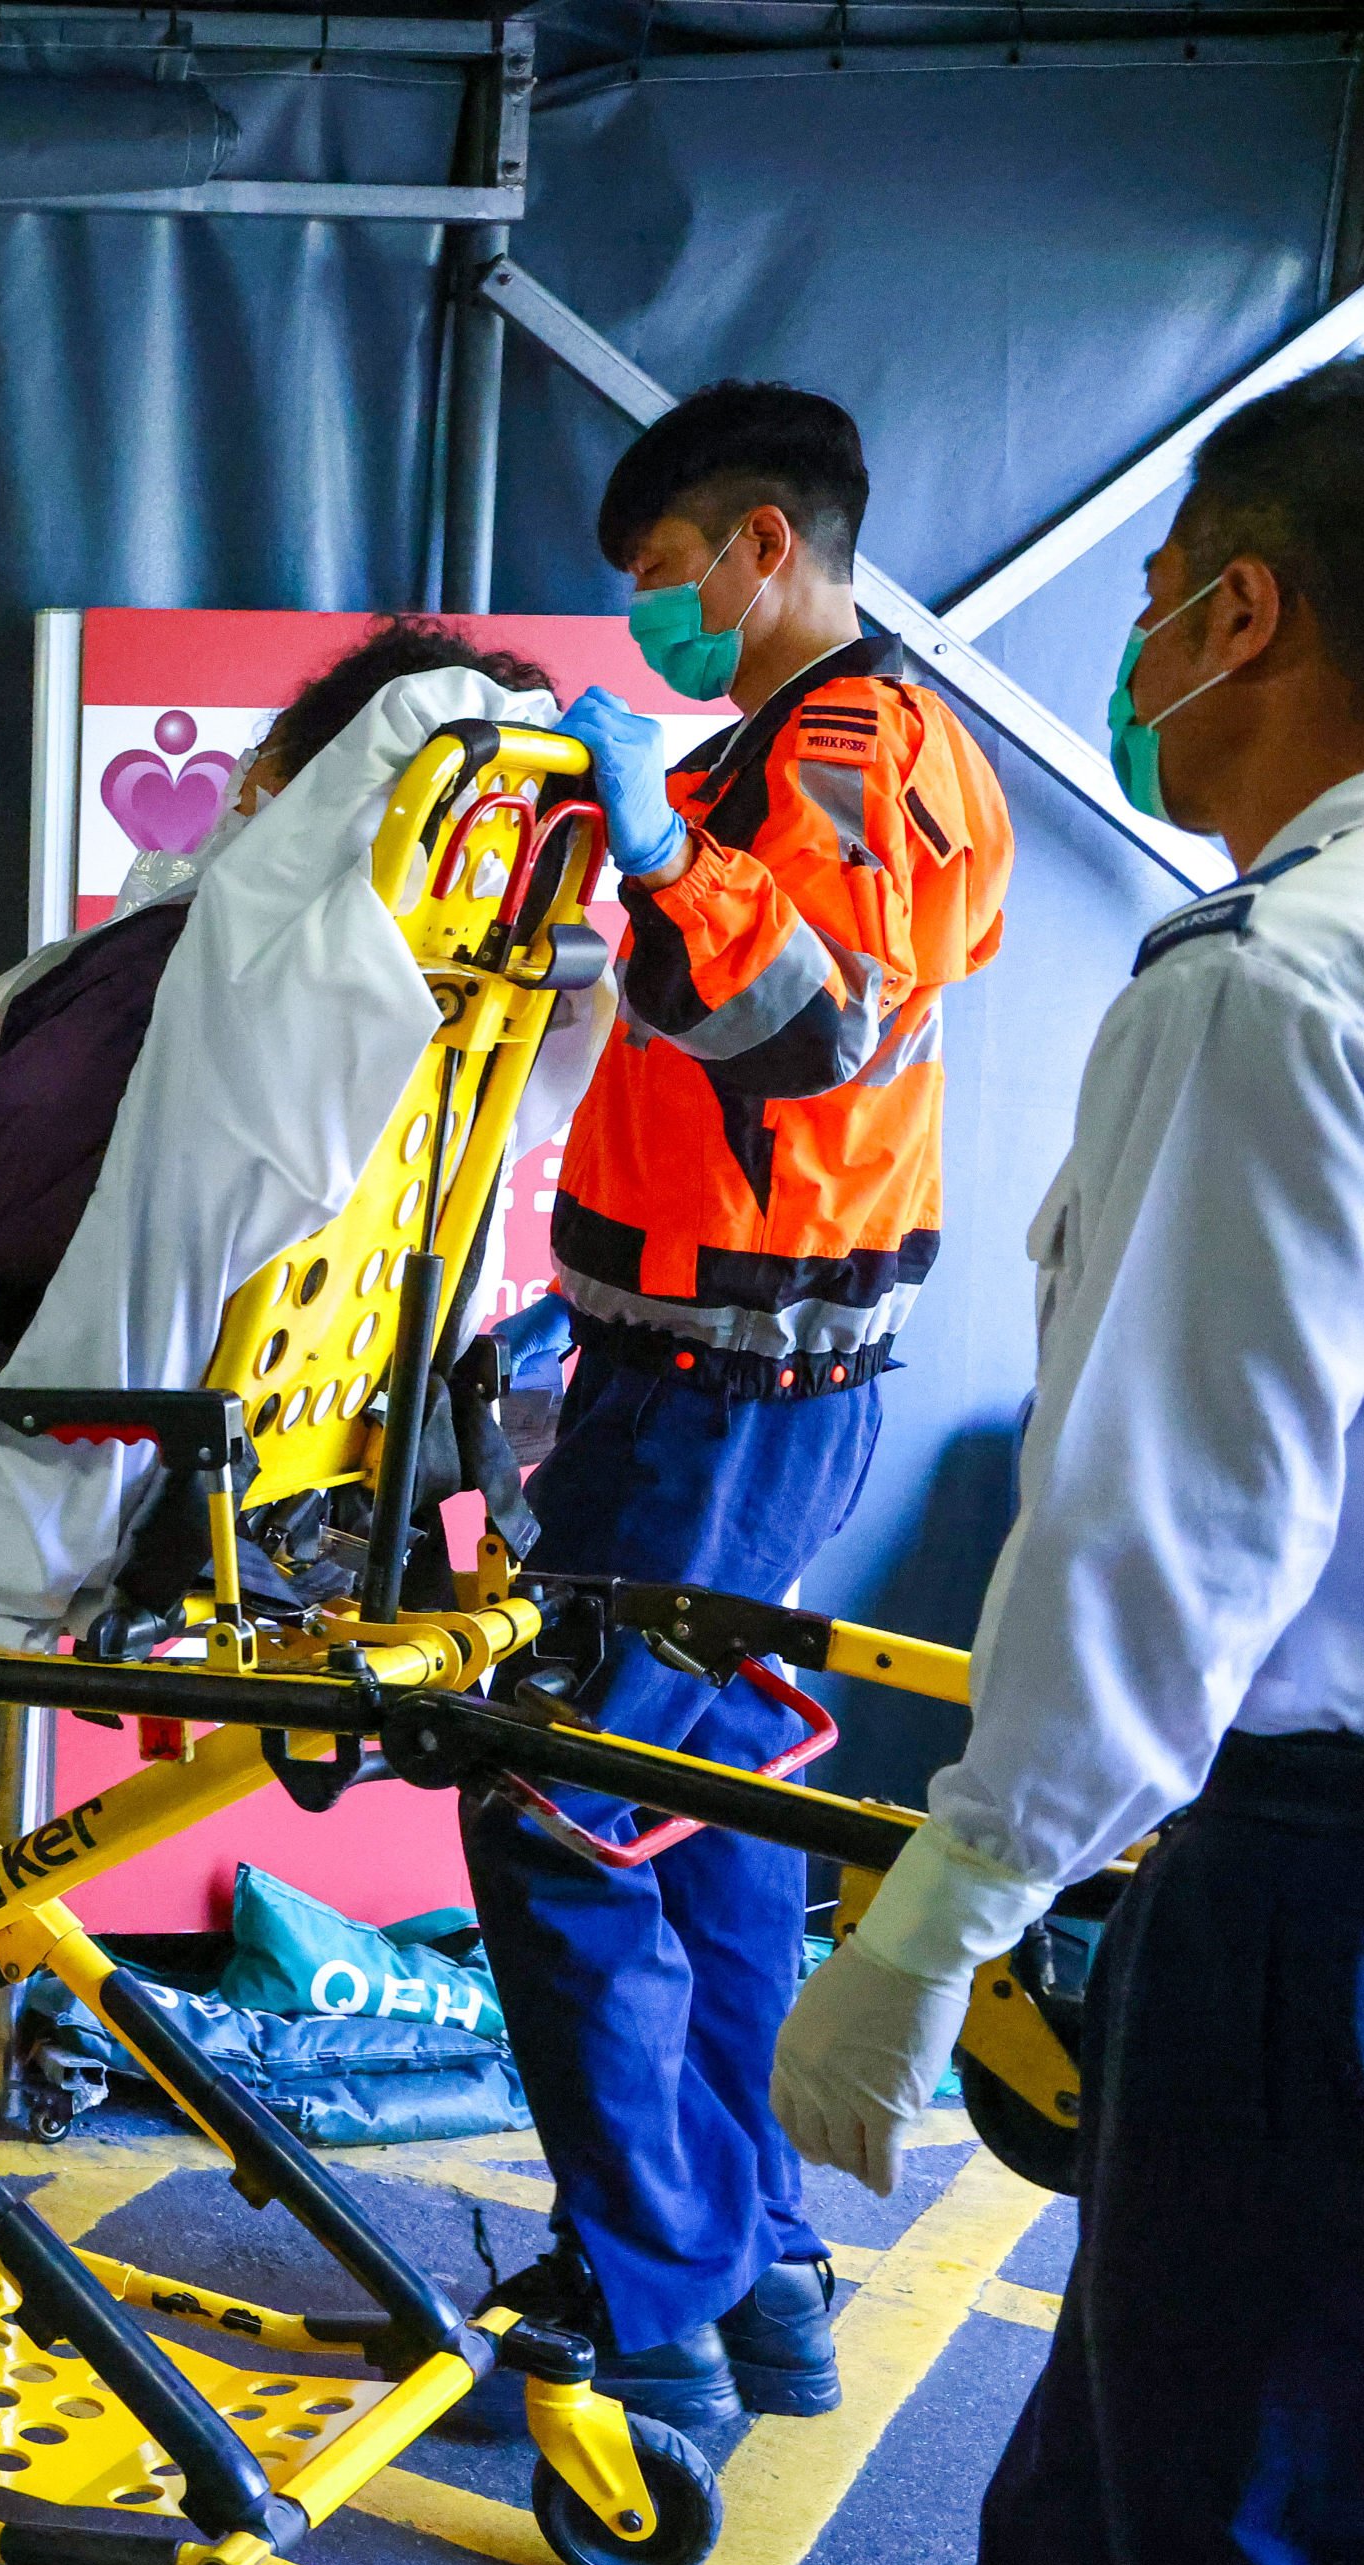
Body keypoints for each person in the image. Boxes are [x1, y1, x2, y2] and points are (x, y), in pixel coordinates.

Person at [767, 360, 1364, 2565]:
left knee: (1192, 2529)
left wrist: (933, 1923)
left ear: (1244, 614)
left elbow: (1174, 1525)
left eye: (1140, 614)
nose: (1122, 676)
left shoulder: (1262, 990)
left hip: (1311, 1897)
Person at [464, 383, 1016, 2457]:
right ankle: (751, 2270)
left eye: (665, 580)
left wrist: (653, 845)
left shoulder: (849, 750)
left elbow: (808, 1032)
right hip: (720, 1383)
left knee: (553, 1814)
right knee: (688, 1819)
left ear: (757, 543)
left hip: (720, 1393)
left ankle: (655, 2299)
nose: (656, 626)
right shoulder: (812, 756)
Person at [0, 619, 556, 1399]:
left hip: (23, 1396)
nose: (245, 772)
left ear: (303, 785)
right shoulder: (448, 1001)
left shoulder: (189, 970)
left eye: (264, 751)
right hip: (312, 1418)